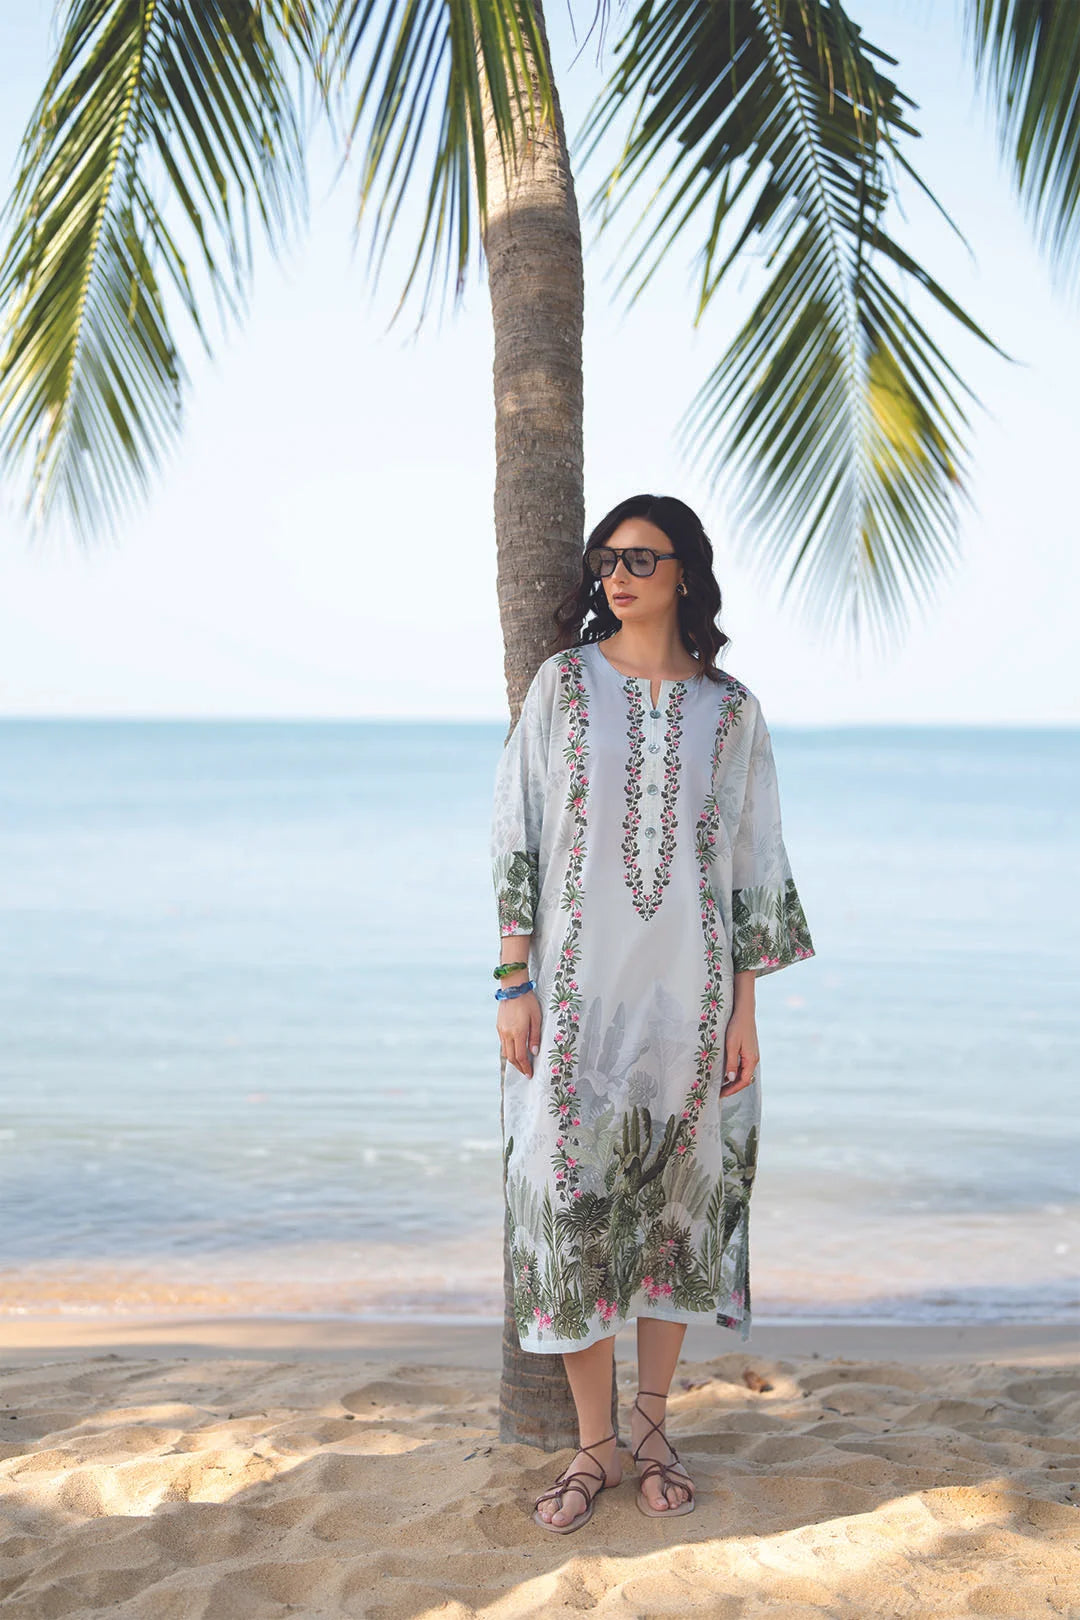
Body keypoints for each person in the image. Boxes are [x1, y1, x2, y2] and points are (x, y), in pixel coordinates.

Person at [490, 493, 816, 1531]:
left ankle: (656, 1425)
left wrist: (745, 1012)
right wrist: (512, 975)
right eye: (604, 561)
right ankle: (594, 1449)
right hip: (576, 1006)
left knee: (676, 1209)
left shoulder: (733, 712)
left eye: (639, 557)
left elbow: (752, 865)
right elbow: (517, 827)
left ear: (685, 573)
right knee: (569, 1207)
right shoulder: (564, 689)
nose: (615, 576)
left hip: (695, 1000)